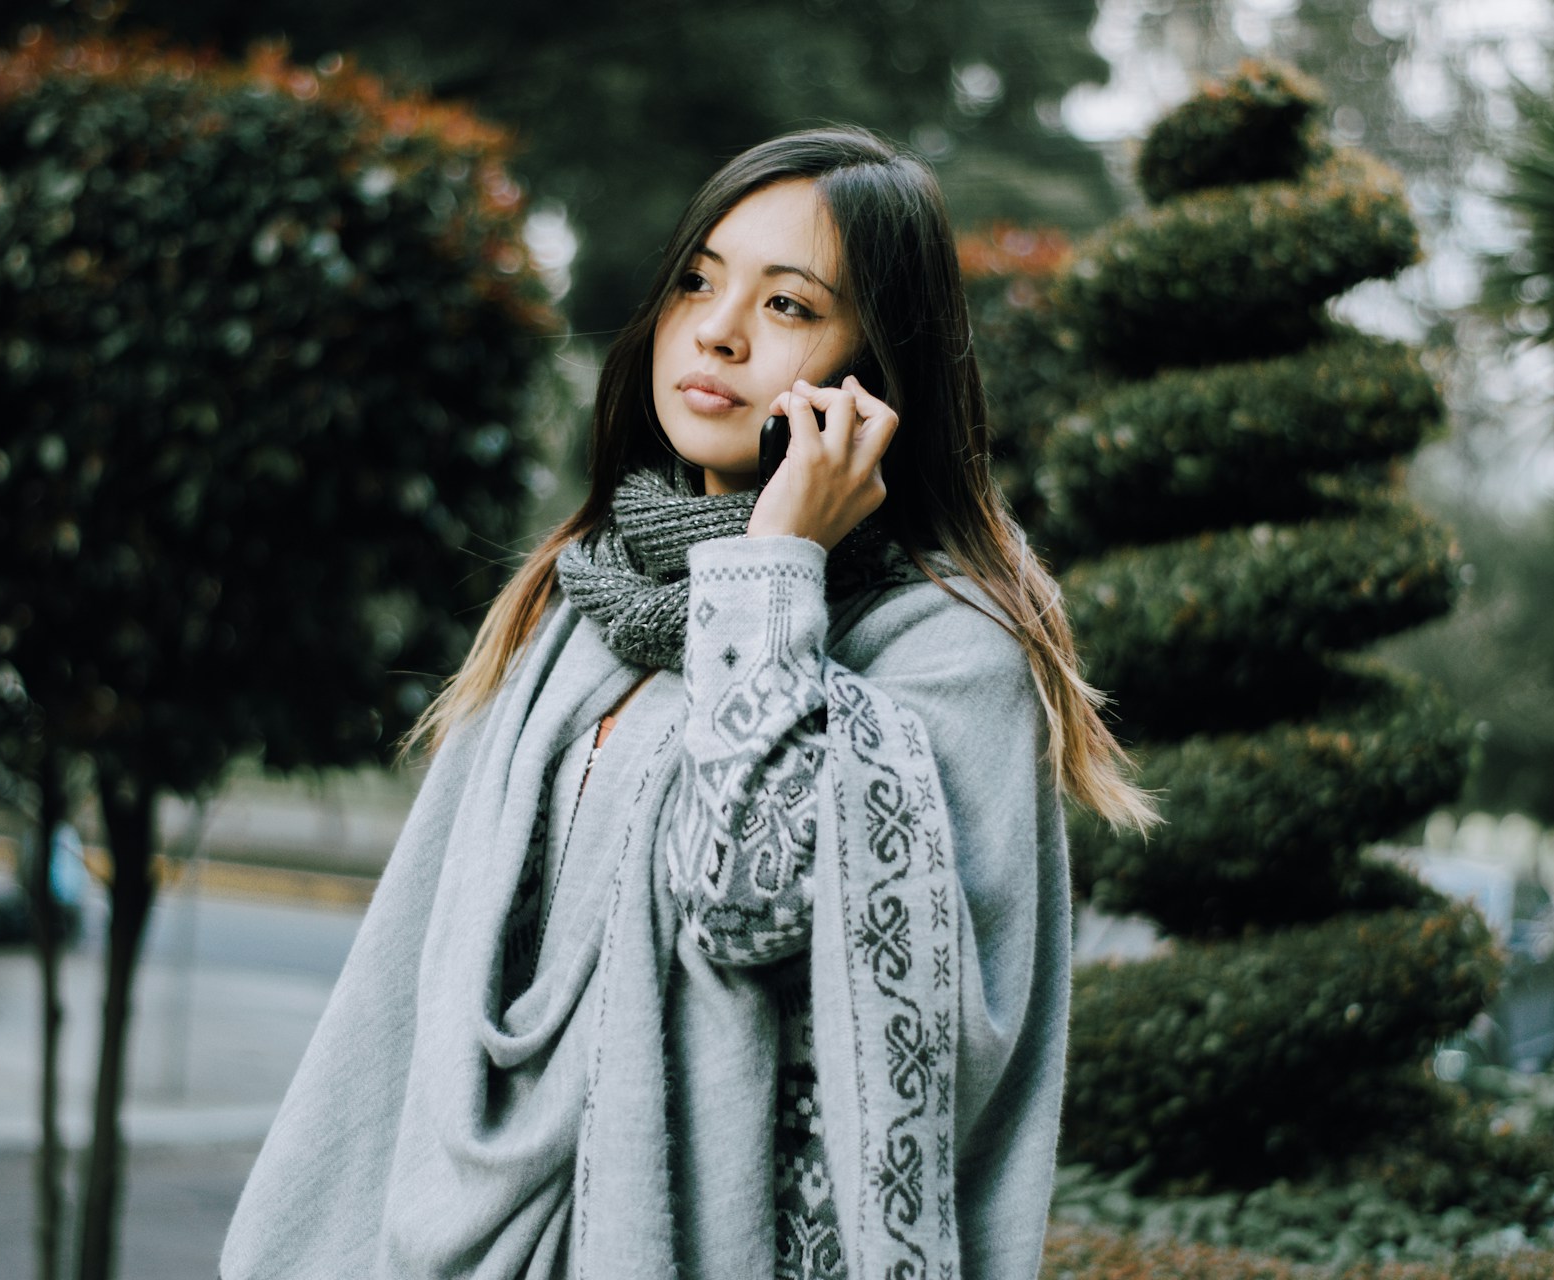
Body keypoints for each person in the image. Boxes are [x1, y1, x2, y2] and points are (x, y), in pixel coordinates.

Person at [219, 125, 1154, 1280]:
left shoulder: (947, 649)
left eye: (791, 305)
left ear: (878, 370)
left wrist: (773, 570)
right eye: (698, 280)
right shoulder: (588, 597)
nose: (716, 329)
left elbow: (749, 903)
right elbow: (415, 977)